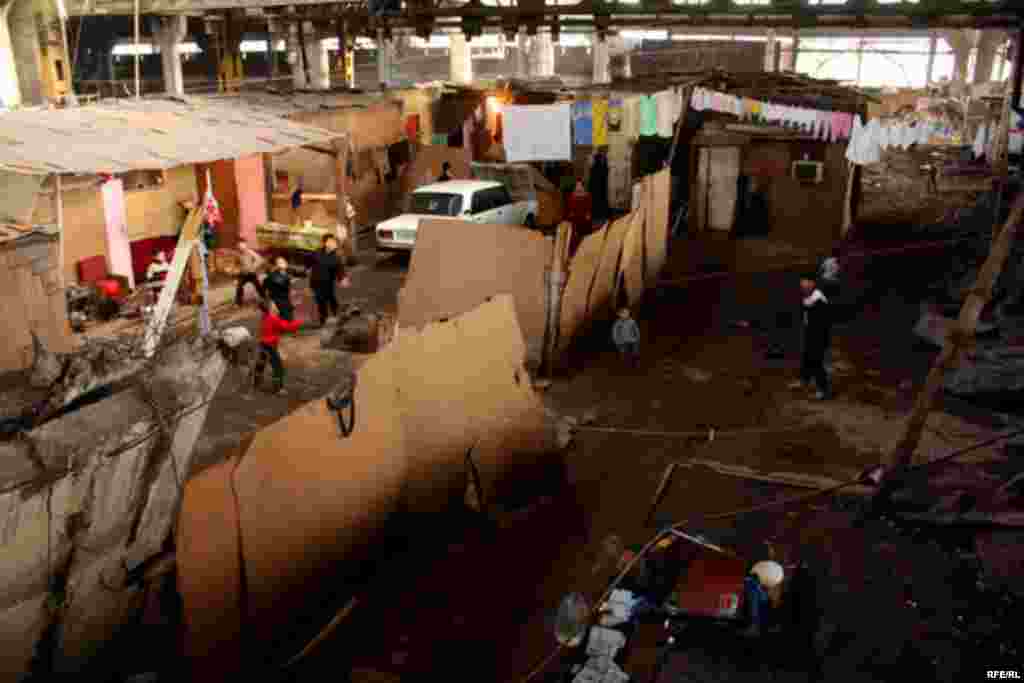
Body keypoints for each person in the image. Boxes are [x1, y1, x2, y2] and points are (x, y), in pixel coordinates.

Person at [790, 275, 833, 400]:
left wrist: (819, 340)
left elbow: (823, 323)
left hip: (819, 336)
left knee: (817, 362)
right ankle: (805, 380)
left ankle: (823, 390)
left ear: (812, 283)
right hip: (811, 333)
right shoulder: (808, 298)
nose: (803, 286)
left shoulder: (818, 299)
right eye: (801, 284)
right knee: (807, 358)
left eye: (805, 283)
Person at [255, 299, 303, 396]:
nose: (277, 308)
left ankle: (256, 381)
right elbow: (287, 327)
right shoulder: (273, 319)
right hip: (271, 346)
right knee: (278, 367)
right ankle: (278, 388)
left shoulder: (264, 317)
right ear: (270, 309)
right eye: (275, 307)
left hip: (263, 344)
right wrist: (298, 322)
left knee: (261, 363)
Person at [309, 235, 350, 327]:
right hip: (316, 282)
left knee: (331, 300)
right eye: (331, 241)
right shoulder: (317, 252)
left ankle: (337, 316)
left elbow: (340, 270)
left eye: (334, 241)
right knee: (321, 302)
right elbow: (309, 263)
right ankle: (323, 321)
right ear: (325, 243)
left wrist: (343, 278)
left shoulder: (336, 257)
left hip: (328, 284)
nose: (333, 243)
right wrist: (307, 270)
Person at [263, 257, 296, 321]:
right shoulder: (274, 276)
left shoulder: (285, 274)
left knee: (287, 319)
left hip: (281, 300)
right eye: (281, 262)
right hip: (280, 301)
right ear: (276, 265)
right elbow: (284, 286)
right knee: (286, 320)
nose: (284, 264)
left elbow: (264, 287)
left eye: (284, 262)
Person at [235, 240, 266, 307]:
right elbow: (238, 264)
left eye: (242, 245)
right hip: (244, 274)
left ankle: (264, 297)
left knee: (258, 286)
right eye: (239, 246)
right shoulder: (239, 254)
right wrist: (239, 271)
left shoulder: (250, 252)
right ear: (238, 247)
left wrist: (253, 267)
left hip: (252, 274)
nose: (241, 247)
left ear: (245, 245)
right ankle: (238, 302)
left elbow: (260, 259)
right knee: (239, 286)